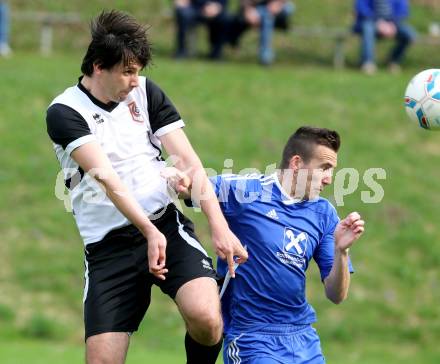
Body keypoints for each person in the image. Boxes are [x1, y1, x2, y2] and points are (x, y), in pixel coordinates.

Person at [45, 10, 247, 364]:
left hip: (165, 223)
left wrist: (219, 226)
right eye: (127, 72)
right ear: (97, 66)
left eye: (138, 71)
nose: (135, 81)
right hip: (108, 247)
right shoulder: (64, 112)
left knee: (206, 317)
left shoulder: (145, 94)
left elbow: (187, 160)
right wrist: (147, 231)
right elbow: (108, 178)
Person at [166, 126, 365, 363]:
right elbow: (194, 187)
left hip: (303, 339)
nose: (329, 179)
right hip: (251, 337)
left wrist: (341, 251)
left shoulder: (324, 214)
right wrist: (178, 179)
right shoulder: (245, 191)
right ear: (297, 163)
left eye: (332, 170)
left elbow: (336, 294)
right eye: (324, 168)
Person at [353, 0, 416, 74]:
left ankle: (393, 62)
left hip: (392, 24)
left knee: (408, 34)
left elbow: (403, 10)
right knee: (368, 29)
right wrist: (378, 22)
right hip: (370, 22)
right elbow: (361, 8)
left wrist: (393, 23)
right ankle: (368, 63)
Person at [228, 0, 295, 65]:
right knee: (267, 17)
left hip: (279, 5)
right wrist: (248, 10)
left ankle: (265, 56)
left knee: (268, 17)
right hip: (258, 8)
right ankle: (265, 57)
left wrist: (278, 4)